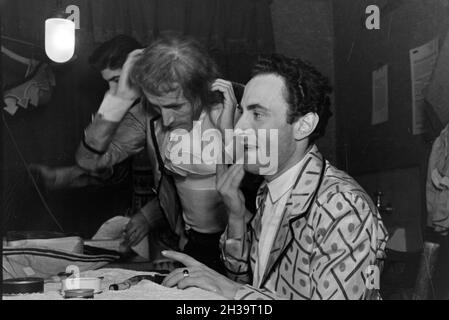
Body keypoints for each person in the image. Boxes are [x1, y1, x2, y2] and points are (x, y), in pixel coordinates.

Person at [160, 54, 389, 300]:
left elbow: (241, 290)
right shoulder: (269, 190)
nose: (239, 128)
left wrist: (233, 290)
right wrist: (236, 216)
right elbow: (248, 282)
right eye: (242, 112)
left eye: (257, 115)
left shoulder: (342, 206)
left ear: (304, 125)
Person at [75, 34, 244, 273]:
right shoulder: (148, 114)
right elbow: (88, 160)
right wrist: (118, 100)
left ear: (200, 88)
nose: (166, 119)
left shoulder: (244, 106)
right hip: (192, 245)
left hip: (246, 244)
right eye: (157, 106)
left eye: (176, 106)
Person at [30, 35, 178, 261]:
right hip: (175, 236)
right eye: (108, 82)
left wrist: (148, 216)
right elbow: (89, 160)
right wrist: (116, 100)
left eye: (117, 79)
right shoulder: (141, 116)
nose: (112, 89)